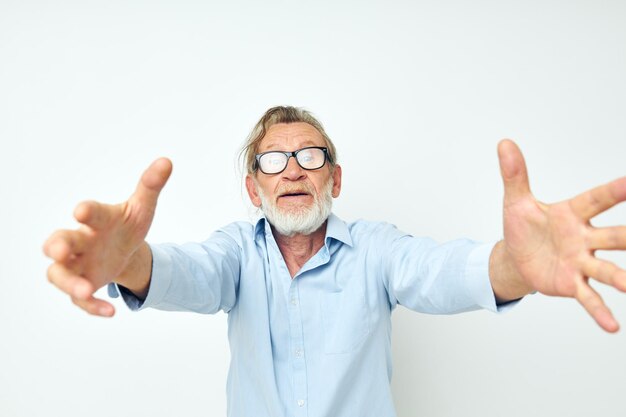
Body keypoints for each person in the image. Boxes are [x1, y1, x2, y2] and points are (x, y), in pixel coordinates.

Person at [43, 106, 626, 417]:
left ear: (335, 178)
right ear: (254, 191)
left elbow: (441, 273)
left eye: (309, 156)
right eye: (273, 162)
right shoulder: (235, 254)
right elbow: (189, 273)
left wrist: (518, 266)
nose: (292, 170)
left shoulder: (376, 248)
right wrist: (127, 261)